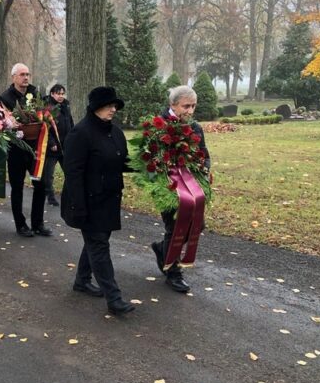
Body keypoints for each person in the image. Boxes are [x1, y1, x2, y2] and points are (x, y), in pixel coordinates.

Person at [61, 86, 135, 316]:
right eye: (109, 105)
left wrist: (147, 166)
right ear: (95, 107)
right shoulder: (80, 133)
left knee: (95, 242)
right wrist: (78, 207)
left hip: (109, 199)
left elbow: (122, 161)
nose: (113, 109)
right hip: (88, 202)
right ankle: (114, 297)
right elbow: (73, 173)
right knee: (99, 246)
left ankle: (82, 281)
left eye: (115, 106)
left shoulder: (116, 132)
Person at [150, 85, 211, 293]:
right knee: (175, 227)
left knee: (197, 225)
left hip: (192, 186)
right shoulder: (158, 126)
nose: (190, 111)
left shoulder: (195, 127)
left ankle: (163, 248)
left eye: (193, 106)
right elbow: (149, 159)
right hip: (167, 186)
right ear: (173, 104)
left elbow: (204, 154)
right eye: (186, 106)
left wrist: (204, 171)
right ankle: (173, 273)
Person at [0, 63, 52, 238]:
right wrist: (11, 125)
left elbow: (45, 118)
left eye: (28, 74)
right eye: (22, 74)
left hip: (35, 149)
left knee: (41, 185)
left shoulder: (35, 94)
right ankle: (21, 225)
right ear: (14, 77)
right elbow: (0, 124)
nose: (26, 77)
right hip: (16, 150)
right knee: (17, 187)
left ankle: (38, 224)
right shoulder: (4, 98)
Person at [43, 84, 74, 207]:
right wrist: (51, 143)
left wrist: (73, 137)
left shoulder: (66, 105)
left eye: (62, 93)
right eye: (58, 93)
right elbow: (45, 127)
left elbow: (70, 123)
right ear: (52, 94)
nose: (61, 96)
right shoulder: (47, 107)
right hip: (53, 147)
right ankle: (50, 198)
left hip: (65, 146)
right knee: (48, 175)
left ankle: (69, 195)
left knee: (70, 172)